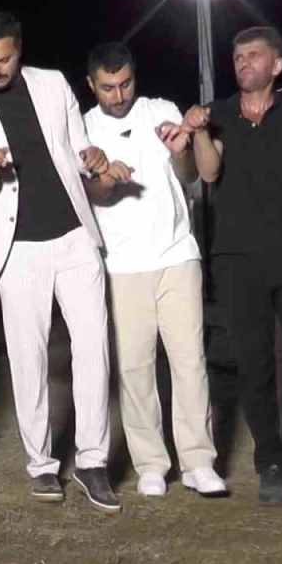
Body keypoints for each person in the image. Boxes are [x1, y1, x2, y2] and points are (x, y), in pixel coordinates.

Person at [0, 11, 122, 513]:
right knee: (29, 357)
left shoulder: (53, 83)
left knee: (94, 348)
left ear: (19, 49)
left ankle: (92, 462)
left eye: (4, 59)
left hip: (75, 237)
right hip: (16, 248)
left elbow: (80, 146)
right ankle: (42, 464)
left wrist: (95, 157)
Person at [185, 26, 282, 505]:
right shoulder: (219, 113)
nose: (243, 62)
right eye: (238, 56)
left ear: (276, 65)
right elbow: (208, 171)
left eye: (254, 55)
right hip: (236, 257)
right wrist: (198, 131)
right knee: (253, 364)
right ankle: (270, 461)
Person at [79, 42, 226, 497]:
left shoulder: (160, 110)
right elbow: (93, 195)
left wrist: (181, 148)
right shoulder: (83, 128)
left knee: (190, 361)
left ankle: (198, 462)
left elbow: (188, 173)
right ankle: (150, 465)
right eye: (108, 88)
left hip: (177, 255)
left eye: (125, 84)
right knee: (135, 367)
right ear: (91, 85)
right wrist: (106, 177)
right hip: (121, 264)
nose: (118, 95)